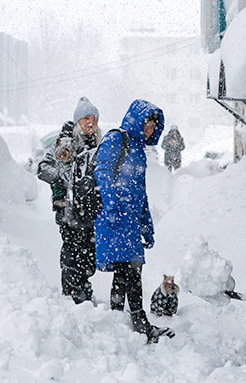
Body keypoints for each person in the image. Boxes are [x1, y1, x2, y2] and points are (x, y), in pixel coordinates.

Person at [94, 99, 175, 343]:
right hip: (115, 218)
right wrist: (111, 206)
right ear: (136, 121)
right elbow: (102, 171)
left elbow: (141, 193)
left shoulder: (139, 151)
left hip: (129, 221)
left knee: (126, 271)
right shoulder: (116, 139)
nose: (149, 129)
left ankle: (120, 320)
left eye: (153, 126)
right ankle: (138, 322)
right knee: (130, 270)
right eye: (146, 124)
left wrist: (147, 225)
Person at [37, 97, 102, 304]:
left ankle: (82, 288)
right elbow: (42, 168)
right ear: (77, 122)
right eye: (86, 118)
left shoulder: (98, 144)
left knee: (89, 253)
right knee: (73, 251)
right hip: (67, 209)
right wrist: (63, 180)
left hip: (89, 210)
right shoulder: (66, 142)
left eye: (94, 118)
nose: (91, 122)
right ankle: (72, 293)